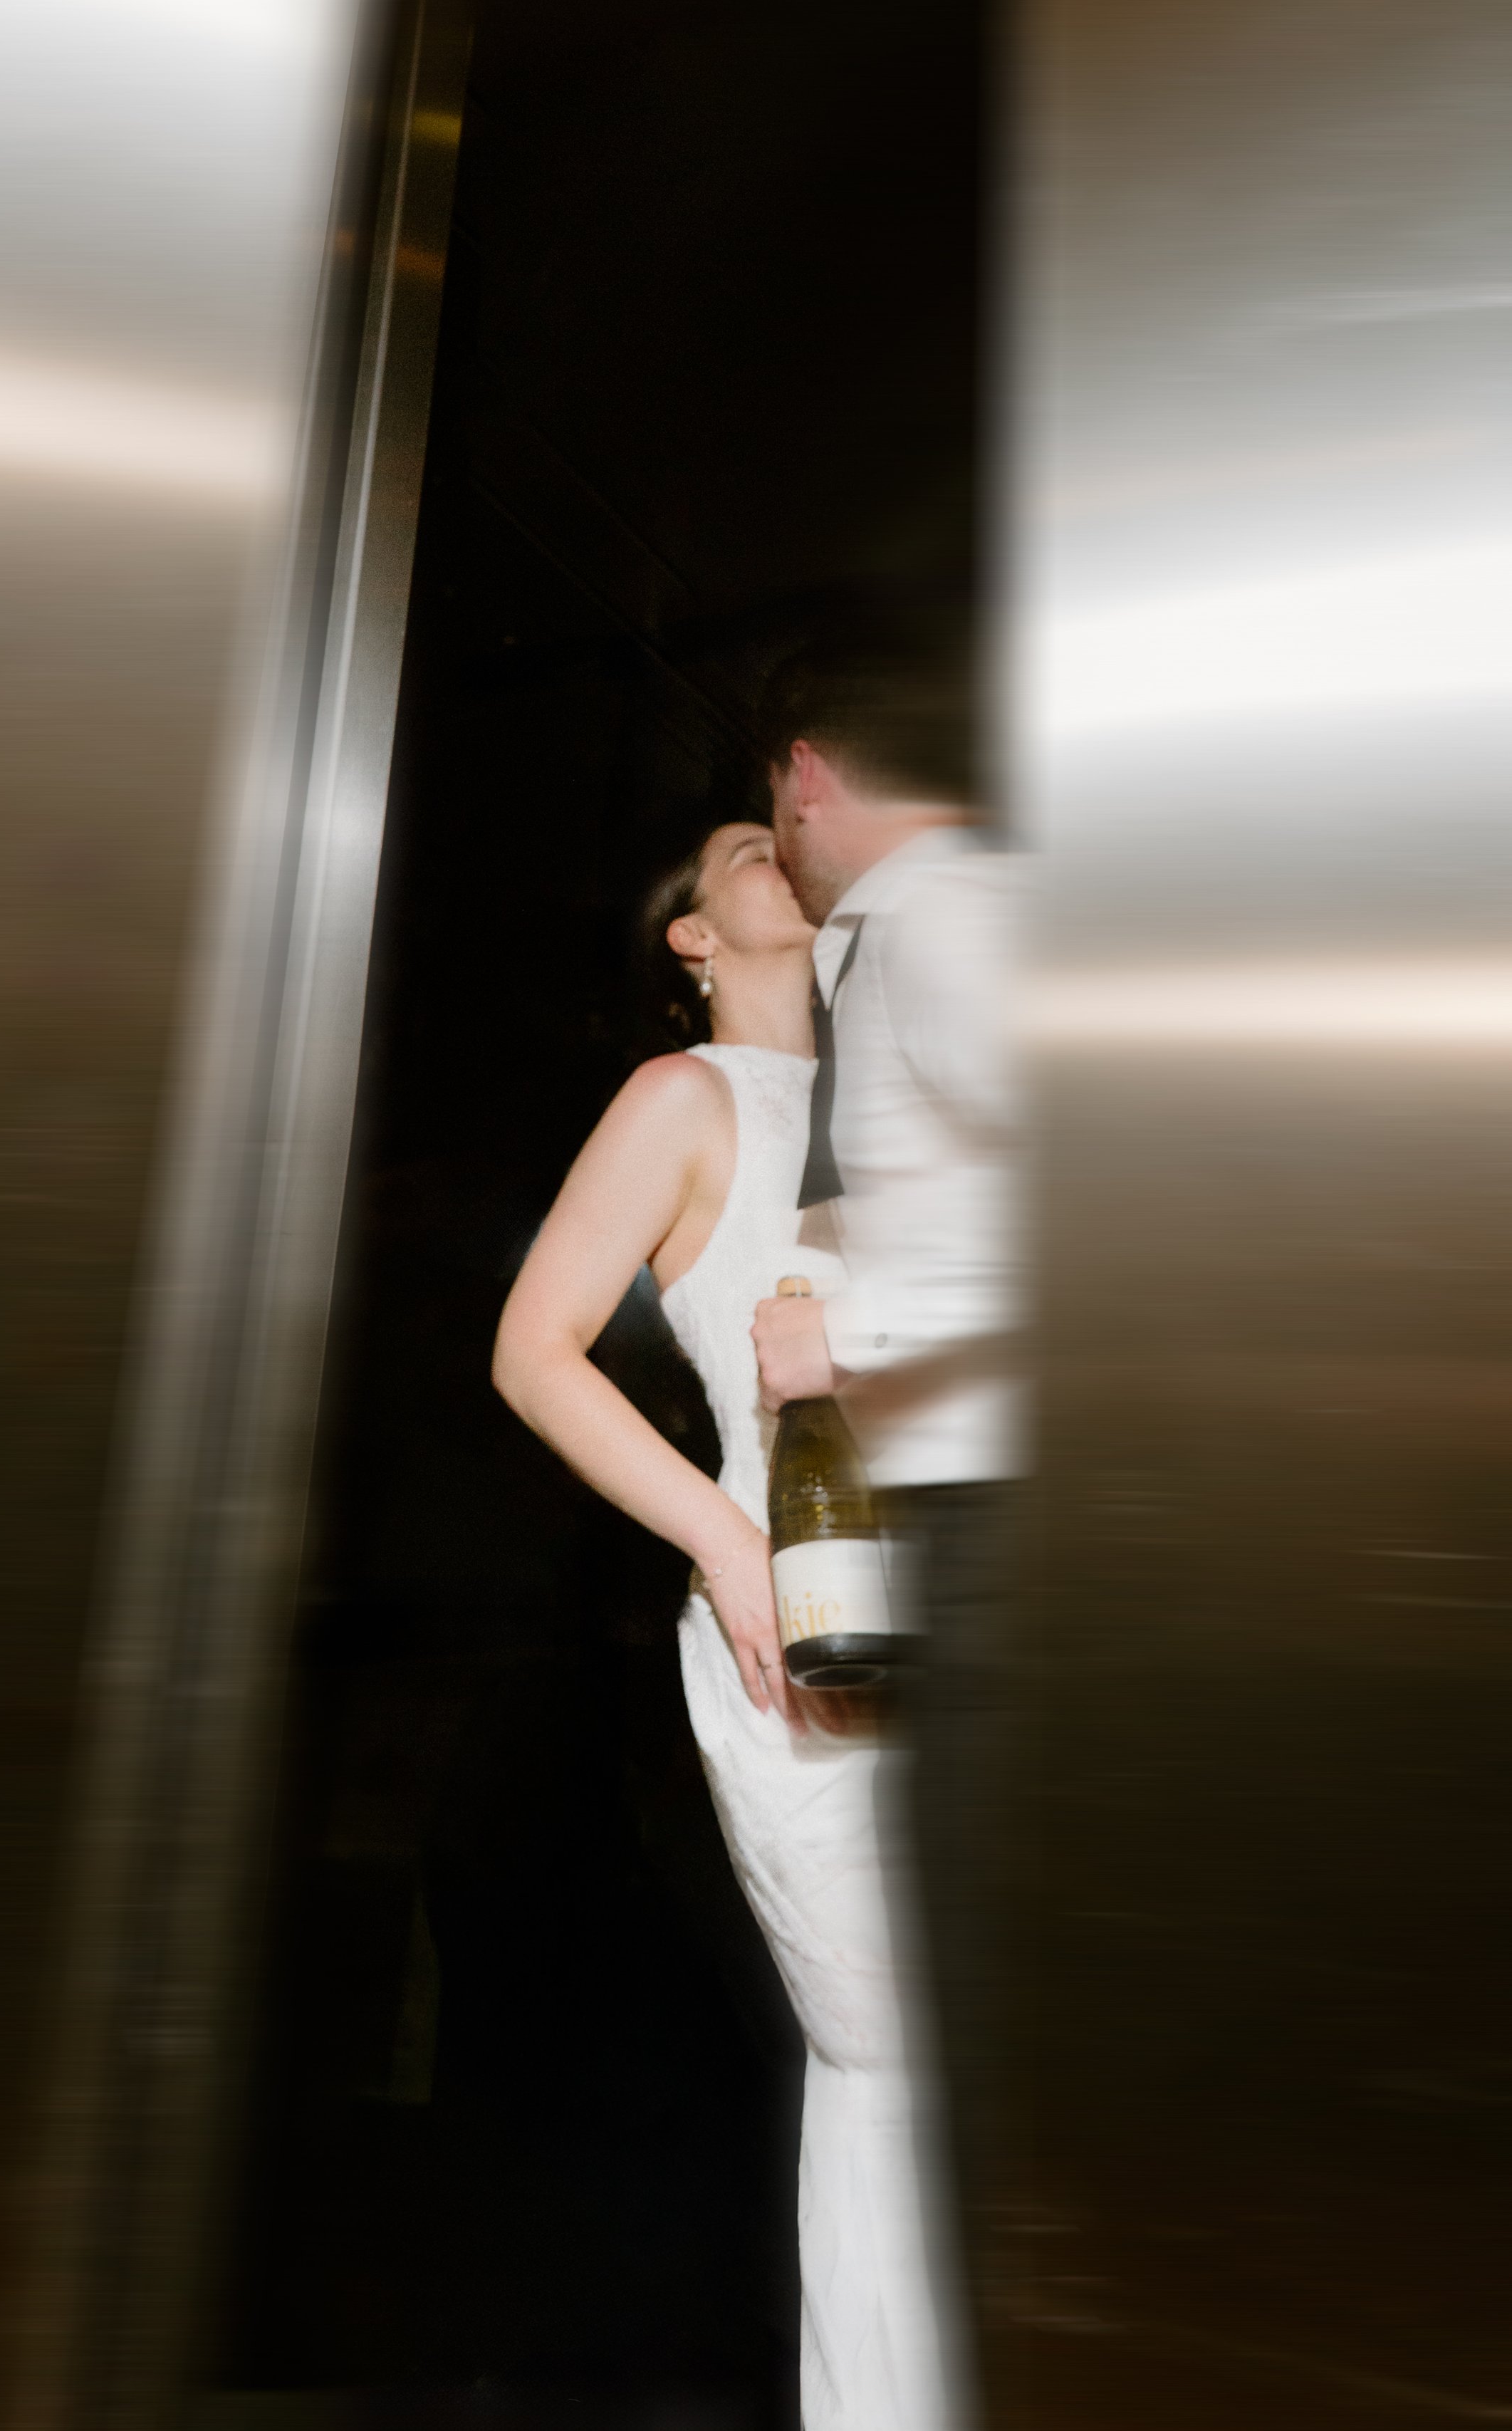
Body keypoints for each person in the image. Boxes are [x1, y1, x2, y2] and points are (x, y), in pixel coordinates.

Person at [493, 819, 958, 2431]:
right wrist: (720, 1537)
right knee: (891, 2043)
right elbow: (533, 1349)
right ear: (689, 941)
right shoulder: (682, 1099)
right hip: (800, 1613)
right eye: (740, 850)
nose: (780, 853)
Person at [748, 620, 1024, 2358]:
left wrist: (857, 1334)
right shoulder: (932, 931)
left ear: (806, 779)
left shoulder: (949, 921)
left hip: (1020, 1535)